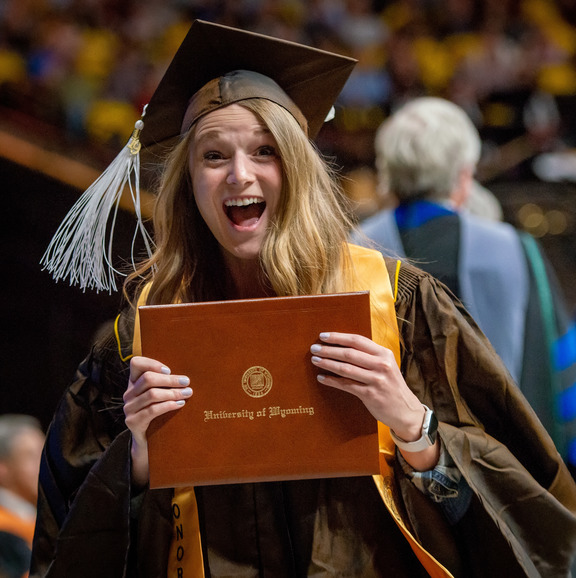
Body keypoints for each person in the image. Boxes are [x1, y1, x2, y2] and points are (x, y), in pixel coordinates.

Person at [31, 20, 576, 578]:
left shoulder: (397, 305)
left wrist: (415, 427)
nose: (239, 176)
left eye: (264, 151)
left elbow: (531, 509)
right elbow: (63, 536)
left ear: (298, 169)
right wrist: (139, 462)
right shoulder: (144, 337)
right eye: (213, 156)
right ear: (188, 182)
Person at [357, 96, 576, 466]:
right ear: (463, 175)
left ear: (387, 172)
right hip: (504, 474)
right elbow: (558, 374)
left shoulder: (353, 248)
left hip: (385, 473)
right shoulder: (513, 250)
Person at [0, 415, 45, 578]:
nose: (45, 465)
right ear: (2, 468)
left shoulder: (44, 520)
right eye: (32, 456)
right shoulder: (4, 532)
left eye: (45, 454)